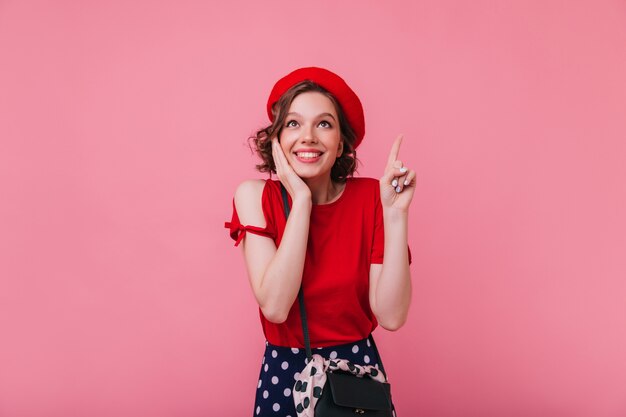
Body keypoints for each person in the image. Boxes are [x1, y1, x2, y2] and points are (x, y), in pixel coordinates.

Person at [225, 67, 415, 417]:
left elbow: (391, 315)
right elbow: (276, 307)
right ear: (277, 138)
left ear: (341, 142)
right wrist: (300, 200)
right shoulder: (253, 196)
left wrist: (396, 214)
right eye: (293, 124)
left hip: (355, 378)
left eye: (324, 124)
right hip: (285, 373)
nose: (308, 136)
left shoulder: (373, 197)